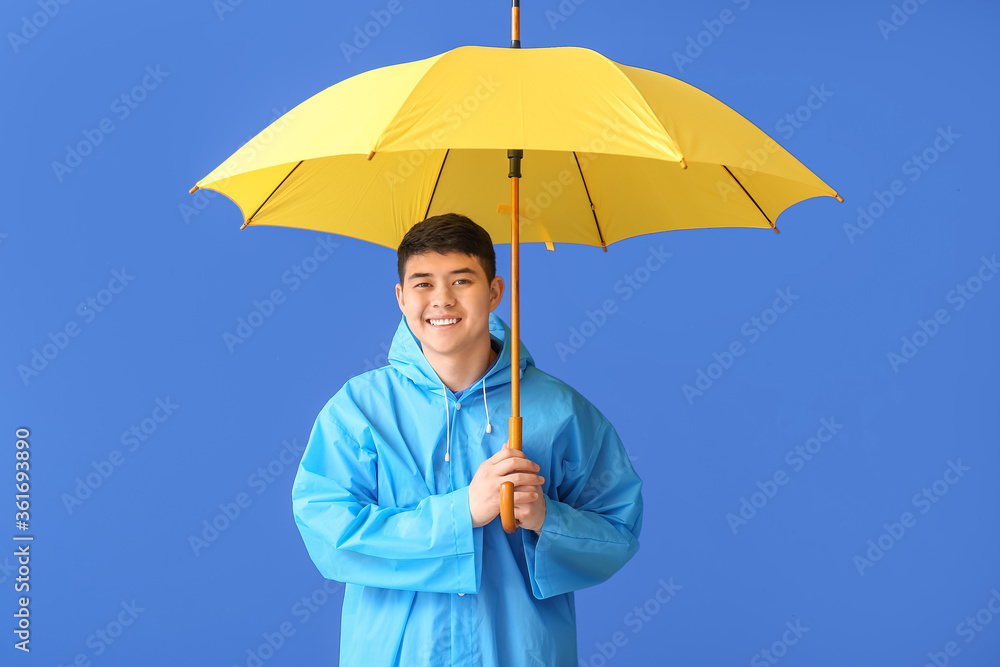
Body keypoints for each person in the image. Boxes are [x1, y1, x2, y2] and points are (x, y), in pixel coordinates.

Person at [291, 213, 643, 667]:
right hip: (395, 654)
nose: (442, 300)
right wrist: (462, 512)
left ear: (495, 291)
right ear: (400, 297)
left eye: (461, 280)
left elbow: (617, 533)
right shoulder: (360, 410)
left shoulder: (559, 411)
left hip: (520, 653)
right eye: (422, 284)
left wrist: (545, 518)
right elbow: (330, 533)